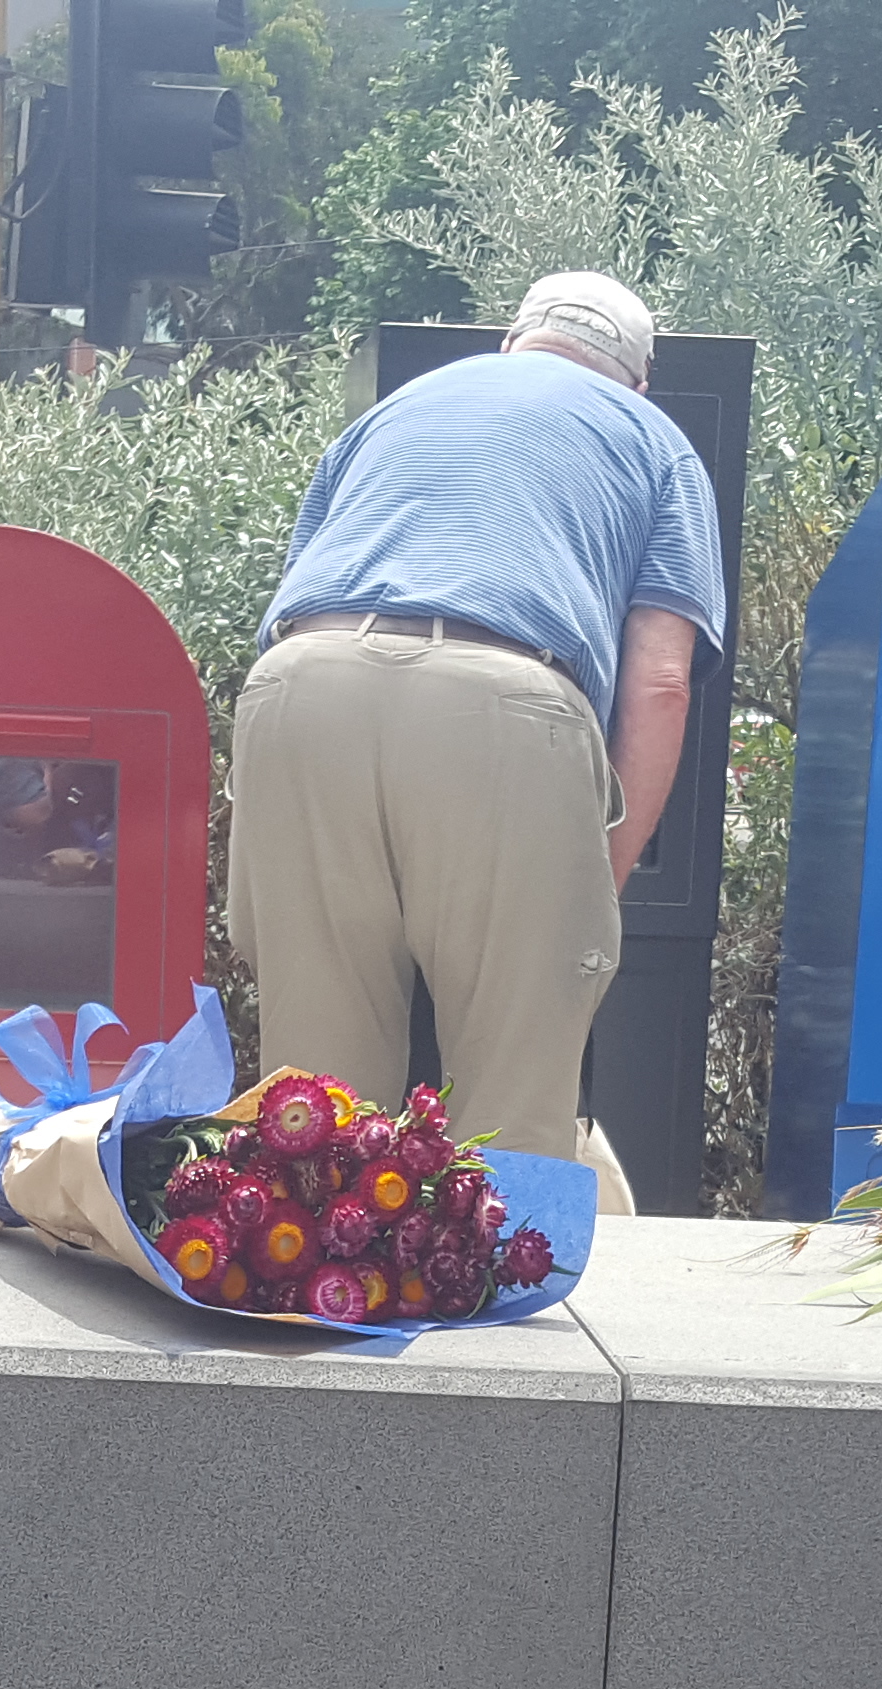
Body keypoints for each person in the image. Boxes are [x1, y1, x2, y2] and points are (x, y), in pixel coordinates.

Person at [234, 270, 724, 1212]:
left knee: (317, 1110)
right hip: (507, 702)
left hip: (303, 687)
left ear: (515, 342)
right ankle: (501, 1340)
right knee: (511, 1109)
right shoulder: (655, 442)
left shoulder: (395, 413)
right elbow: (662, 683)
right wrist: (601, 874)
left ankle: (308, 1319)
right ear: (641, 376)